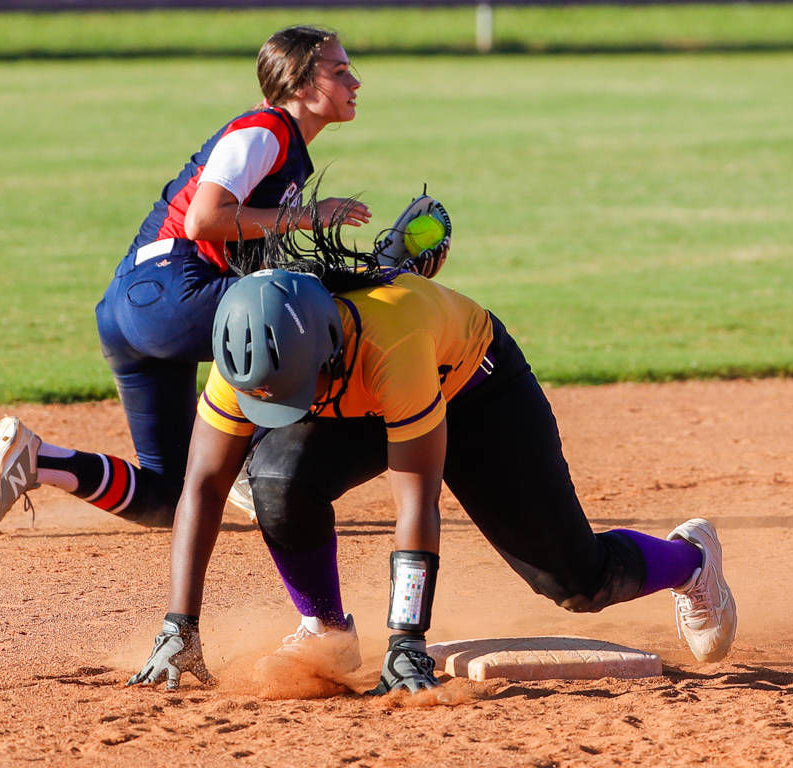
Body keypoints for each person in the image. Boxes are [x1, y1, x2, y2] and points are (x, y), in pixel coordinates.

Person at [126, 205, 738, 693]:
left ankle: (690, 561)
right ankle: (325, 630)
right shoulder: (251, 352)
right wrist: (179, 626)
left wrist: (407, 639)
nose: (288, 404)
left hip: (475, 392)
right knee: (278, 480)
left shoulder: (394, 337)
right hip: (365, 395)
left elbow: (416, 501)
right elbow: (202, 485)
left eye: (296, 389)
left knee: (577, 582)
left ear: (328, 348)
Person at [0, 25, 372, 538]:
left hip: (133, 307)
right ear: (298, 84)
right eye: (338, 71)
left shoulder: (280, 142)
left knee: (169, 499)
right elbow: (204, 220)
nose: (354, 81)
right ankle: (250, 459)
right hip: (174, 290)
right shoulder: (263, 131)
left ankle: (35, 460)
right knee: (311, 320)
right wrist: (312, 217)